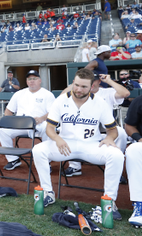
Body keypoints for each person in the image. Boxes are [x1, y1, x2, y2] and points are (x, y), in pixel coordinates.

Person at [32, 68, 123, 220]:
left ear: (92, 87)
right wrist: (57, 138)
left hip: (91, 145)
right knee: (38, 149)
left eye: (84, 87)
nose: (79, 89)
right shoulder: (61, 100)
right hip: (65, 145)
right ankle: (48, 192)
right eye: (77, 85)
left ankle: (109, 201)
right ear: (73, 82)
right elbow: (49, 129)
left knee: (117, 155)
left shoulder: (100, 103)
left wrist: (109, 138)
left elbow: (113, 130)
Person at [62, 72, 130, 178]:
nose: (91, 83)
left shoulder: (107, 92)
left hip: (106, 131)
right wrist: (75, 83)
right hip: (85, 131)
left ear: (99, 81)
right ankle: (74, 166)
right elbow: (62, 96)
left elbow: (125, 93)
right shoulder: (78, 93)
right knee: (69, 129)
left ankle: (115, 167)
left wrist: (109, 81)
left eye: (93, 81)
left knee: (121, 132)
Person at [0, 70, 55, 170]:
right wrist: (10, 121)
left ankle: (46, 162)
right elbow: (8, 110)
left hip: (39, 124)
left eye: (34, 79)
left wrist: (41, 118)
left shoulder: (47, 94)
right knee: (0, 128)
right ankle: (13, 159)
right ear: (27, 81)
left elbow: (53, 112)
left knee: (48, 127)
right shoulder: (19, 94)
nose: (32, 81)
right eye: (29, 79)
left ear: (40, 80)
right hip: (20, 124)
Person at [124, 95, 142, 227]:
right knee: (133, 150)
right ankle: (139, 204)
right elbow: (129, 126)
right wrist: (139, 138)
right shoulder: (139, 101)